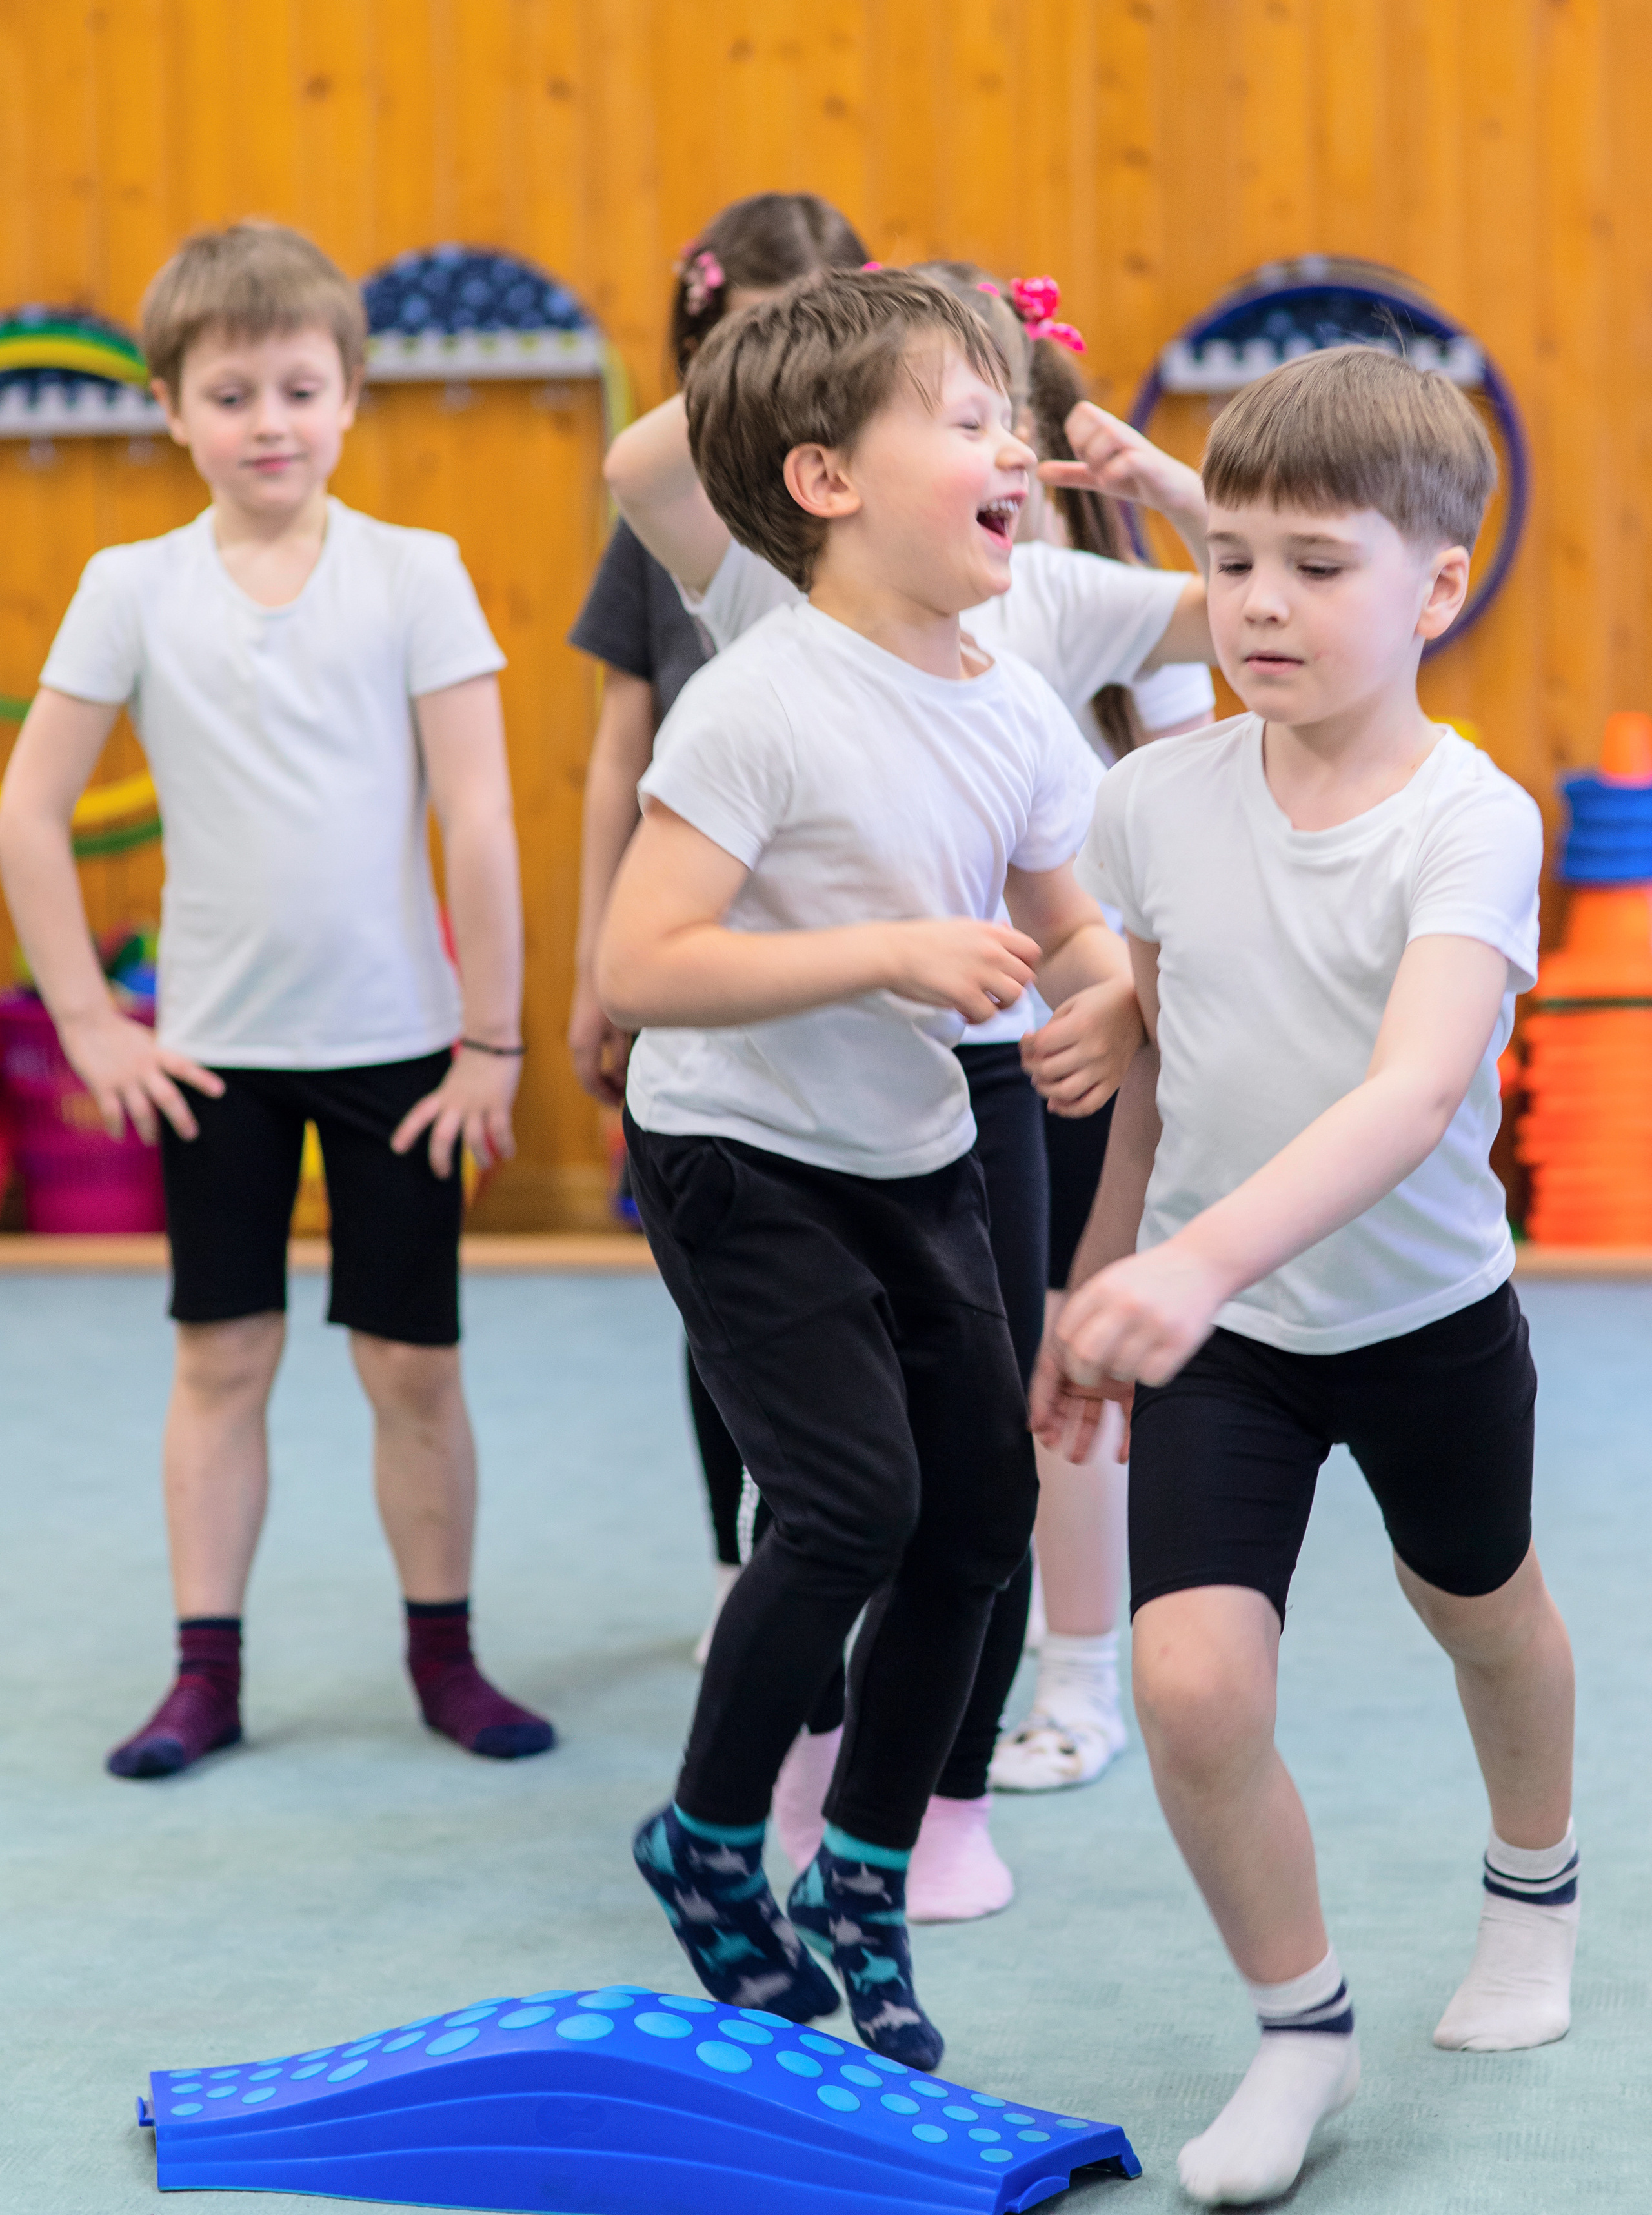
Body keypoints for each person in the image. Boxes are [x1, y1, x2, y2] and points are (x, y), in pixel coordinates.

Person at [1031, 345, 1577, 2206]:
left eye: (1315, 565)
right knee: (1191, 1692)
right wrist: (1101, 1275)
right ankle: (1301, 2030)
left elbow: (1420, 1094)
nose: (1258, 600)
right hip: (1228, 1337)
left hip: (1420, 1319)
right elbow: (1170, 1054)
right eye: (1235, 555)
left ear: (1437, 588)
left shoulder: (1471, 820)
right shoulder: (1156, 803)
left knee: (1483, 1613)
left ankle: (1533, 1891)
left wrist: (1177, 1263)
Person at [603, 264, 1217, 1917]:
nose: (1012, 450)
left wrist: (1106, 1001)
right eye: (965, 421)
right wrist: (886, 953)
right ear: (825, 483)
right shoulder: (754, 695)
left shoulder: (1017, 701)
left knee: (980, 1512)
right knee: (851, 1506)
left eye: (1009, 420)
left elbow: (1073, 927)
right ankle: (711, 1836)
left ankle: (871, 1864)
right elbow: (641, 967)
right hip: (736, 1153)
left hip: (914, 1146)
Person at [0, 221, 553, 1778]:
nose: (268, 423)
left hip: (401, 1052)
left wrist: (493, 1035)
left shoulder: (415, 574)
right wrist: (95, 1022)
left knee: (413, 1365)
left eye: (298, 388)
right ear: (171, 407)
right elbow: (26, 810)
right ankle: (204, 1673)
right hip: (216, 1061)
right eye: (230, 393)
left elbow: (484, 820)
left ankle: (444, 1655)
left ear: (350, 397)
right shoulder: (132, 585)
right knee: (220, 1356)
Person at [567, 193, 867, 1660]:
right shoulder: (673, 520)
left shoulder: (864, 521)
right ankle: (734, 1553)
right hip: (696, 923)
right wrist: (591, 971)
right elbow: (618, 747)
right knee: (727, 1287)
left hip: (846, 927)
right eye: (737, 345)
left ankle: (852, 1556)